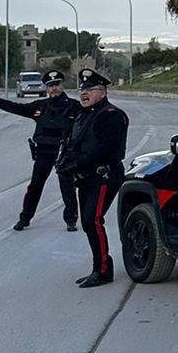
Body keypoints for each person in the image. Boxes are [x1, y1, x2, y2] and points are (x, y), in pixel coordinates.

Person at [59, 67, 130, 287]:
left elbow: (104, 150)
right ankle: (98, 267)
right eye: (82, 89)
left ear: (103, 92)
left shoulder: (111, 115)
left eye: (90, 89)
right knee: (88, 223)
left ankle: (103, 270)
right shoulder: (84, 115)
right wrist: (65, 163)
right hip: (86, 177)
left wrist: (76, 165)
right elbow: (74, 144)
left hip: (104, 175)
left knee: (92, 220)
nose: (84, 93)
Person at [0, 68, 79, 232]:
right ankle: (25, 219)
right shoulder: (40, 106)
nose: (53, 88)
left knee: (67, 187)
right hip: (43, 152)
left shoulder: (74, 107)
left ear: (62, 86)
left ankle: (71, 220)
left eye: (56, 85)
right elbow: (17, 107)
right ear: (46, 88)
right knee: (35, 186)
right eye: (50, 85)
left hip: (64, 152)